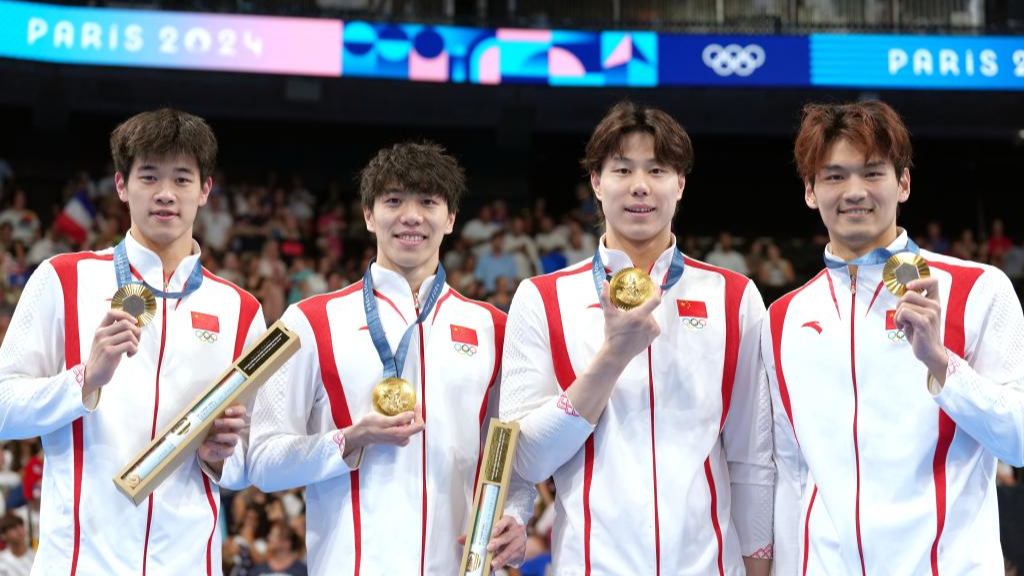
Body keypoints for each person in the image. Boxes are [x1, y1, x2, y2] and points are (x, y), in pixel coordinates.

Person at [499, 100, 774, 575]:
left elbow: (752, 457)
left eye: (658, 169)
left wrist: (758, 567)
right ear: (596, 183)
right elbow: (526, 457)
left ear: (681, 184)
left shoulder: (734, 296)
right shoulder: (541, 298)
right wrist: (613, 356)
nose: (640, 186)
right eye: (623, 169)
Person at [0, 108, 266, 575]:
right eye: (149, 177)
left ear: (205, 190)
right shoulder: (64, 279)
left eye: (182, 179)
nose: (165, 194)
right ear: (122, 185)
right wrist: (85, 380)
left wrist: (221, 458)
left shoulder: (241, 311)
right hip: (78, 564)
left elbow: (249, 463)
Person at [248, 141, 532, 576]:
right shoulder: (310, 321)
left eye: (428, 201)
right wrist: (348, 439)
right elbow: (263, 462)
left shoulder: (493, 327)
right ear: (368, 214)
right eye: (394, 200)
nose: (411, 216)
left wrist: (515, 513)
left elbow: (515, 457)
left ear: (451, 218)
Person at [764, 100, 1024, 575]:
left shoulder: (979, 290)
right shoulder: (783, 317)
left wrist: (942, 365)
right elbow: (790, 472)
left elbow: (1019, 440)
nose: (855, 192)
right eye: (835, 176)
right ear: (809, 190)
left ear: (903, 183)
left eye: (872, 173)